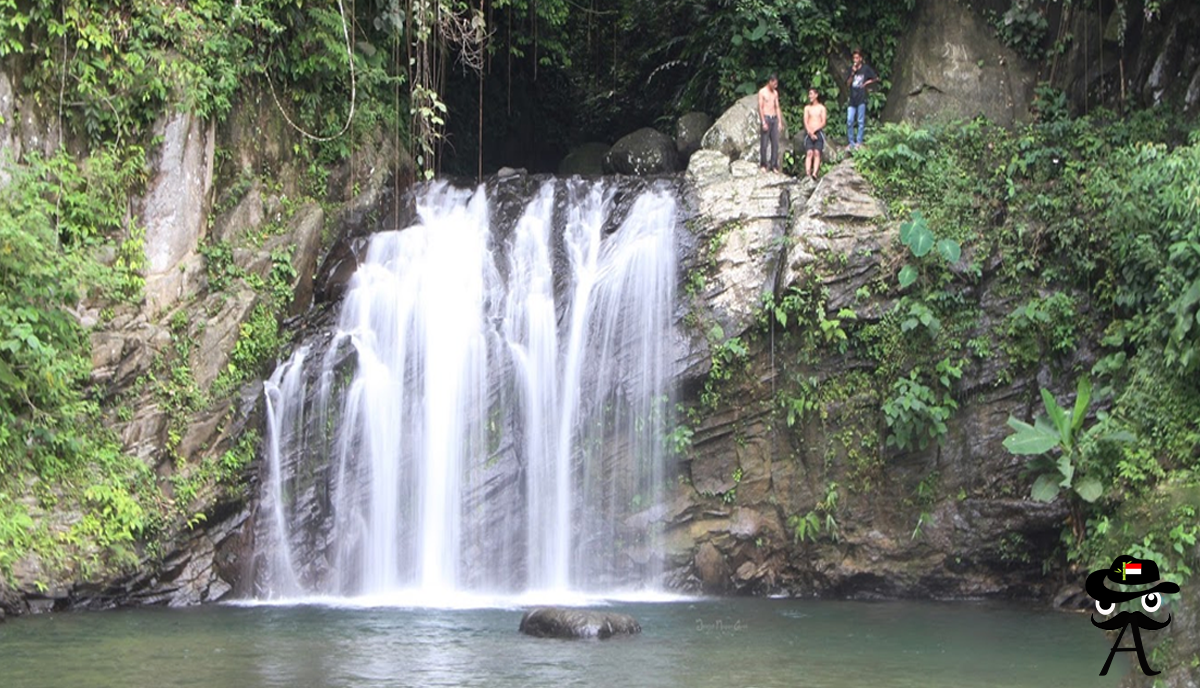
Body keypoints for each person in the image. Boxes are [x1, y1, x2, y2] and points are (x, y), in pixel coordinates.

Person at [845, 49, 878, 151]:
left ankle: (859, 142)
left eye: (857, 58)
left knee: (860, 121)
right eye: (854, 58)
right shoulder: (851, 69)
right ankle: (851, 142)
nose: (855, 60)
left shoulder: (865, 69)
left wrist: (866, 83)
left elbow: (876, 78)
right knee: (850, 120)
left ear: (861, 59)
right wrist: (852, 73)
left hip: (861, 98)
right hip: (852, 99)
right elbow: (847, 83)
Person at [758, 74, 784, 173]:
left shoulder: (775, 93)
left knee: (775, 143)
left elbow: (777, 107)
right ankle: (763, 164)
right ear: (770, 81)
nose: (775, 85)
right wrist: (763, 121)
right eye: (774, 83)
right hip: (766, 118)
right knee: (764, 143)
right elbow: (760, 107)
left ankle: (774, 165)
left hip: (774, 118)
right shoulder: (762, 92)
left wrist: (780, 122)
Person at [802, 87, 827, 180]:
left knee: (817, 152)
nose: (810, 96)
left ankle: (815, 173)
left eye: (811, 94)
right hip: (809, 133)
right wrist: (810, 132)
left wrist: (815, 130)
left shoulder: (822, 108)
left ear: (816, 95)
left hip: (818, 132)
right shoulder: (807, 108)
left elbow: (823, 122)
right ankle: (807, 172)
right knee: (809, 152)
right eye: (809, 94)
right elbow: (805, 120)